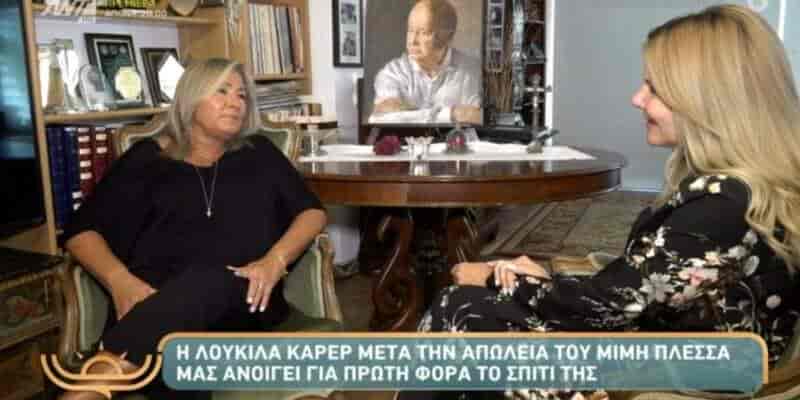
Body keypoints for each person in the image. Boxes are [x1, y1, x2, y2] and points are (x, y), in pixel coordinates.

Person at [419, 4, 800, 399]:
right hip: (669, 359)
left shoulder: (722, 207)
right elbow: (638, 290)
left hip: (677, 382)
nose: (637, 98)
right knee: (468, 311)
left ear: (706, 99)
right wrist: (542, 281)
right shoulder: (741, 191)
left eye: (654, 88)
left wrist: (495, 278)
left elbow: (607, 308)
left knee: (462, 309)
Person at [60, 58, 327, 399]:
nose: (235, 102)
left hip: (245, 297)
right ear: (191, 98)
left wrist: (275, 260)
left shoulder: (260, 154)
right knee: (179, 352)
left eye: (242, 95)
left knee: (211, 280)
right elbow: (81, 232)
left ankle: (88, 389)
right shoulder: (146, 159)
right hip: (152, 302)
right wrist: (119, 280)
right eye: (222, 91)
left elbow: (312, 212)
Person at [369, 0, 482, 124]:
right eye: (410, 30)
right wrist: (451, 114)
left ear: (448, 37)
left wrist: (409, 113)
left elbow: (478, 118)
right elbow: (381, 118)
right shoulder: (392, 73)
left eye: (424, 33)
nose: (412, 41)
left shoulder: (472, 71)